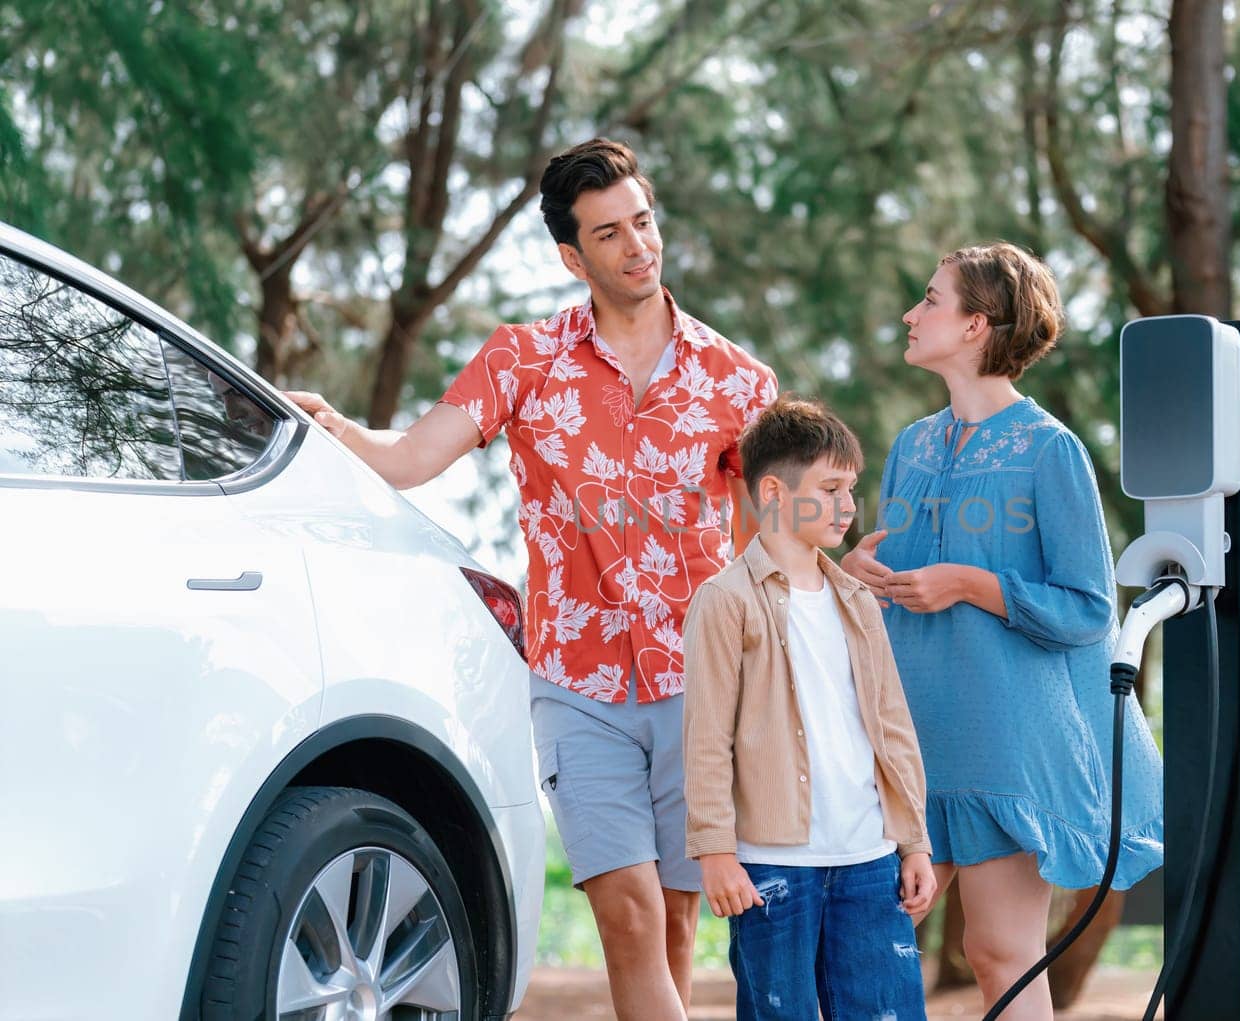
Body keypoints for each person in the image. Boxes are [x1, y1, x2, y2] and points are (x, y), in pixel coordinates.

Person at [287, 137, 778, 1020]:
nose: (637, 246)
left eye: (643, 222)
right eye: (610, 234)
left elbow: (765, 547)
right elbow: (409, 458)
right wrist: (340, 430)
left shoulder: (738, 381)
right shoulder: (523, 358)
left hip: (701, 681)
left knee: (672, 916)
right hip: (575, 682)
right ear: (571, 254)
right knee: (625, 916)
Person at [841, 242, 1163, 1019]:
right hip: (910, 737)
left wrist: (971, 584)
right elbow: (894, 586)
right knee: (863, 933)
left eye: (930, 300)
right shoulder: (913, 448)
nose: (913, 315)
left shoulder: (1051, 450)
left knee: (998, 951)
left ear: (977, 325)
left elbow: (1089, 607)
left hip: (1005, 745)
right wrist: (854, 573)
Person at [682, 394, 936, 1021]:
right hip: (773, 868)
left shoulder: (855, 600)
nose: (847, 505)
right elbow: (707, 735)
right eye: (829, 488)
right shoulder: (725, 601)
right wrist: (715, 852)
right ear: (773, 490)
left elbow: (893, 729)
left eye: (851, 488)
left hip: (869, 860)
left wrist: (915, 843)